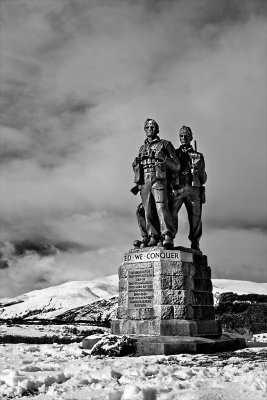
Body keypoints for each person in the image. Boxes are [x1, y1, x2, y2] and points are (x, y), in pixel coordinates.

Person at [132, 118, 180, 248]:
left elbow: (176, 166)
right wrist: (136, 165)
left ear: (157, 129)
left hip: (159, 179)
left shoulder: (165, 144)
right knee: (147, 211)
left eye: (152, 127)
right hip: (145, 181)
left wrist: (163, 158)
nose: (150, 129)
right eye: (147, 127)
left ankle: (167, 235)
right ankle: (153, 236)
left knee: (161, 208)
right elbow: (137, 167)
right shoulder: (142, 148)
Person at [170, 125, 207, 251]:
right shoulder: (174, 153)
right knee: (171, 213)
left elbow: (204, 178)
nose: (184, 137)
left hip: (193, 189)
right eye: (181, 135)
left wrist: (196, 169)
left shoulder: (198, 156)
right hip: (178, 188)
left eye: (186, 135)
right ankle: (169, 238)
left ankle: (195, 242)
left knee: (195, 217)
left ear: (191, 137)